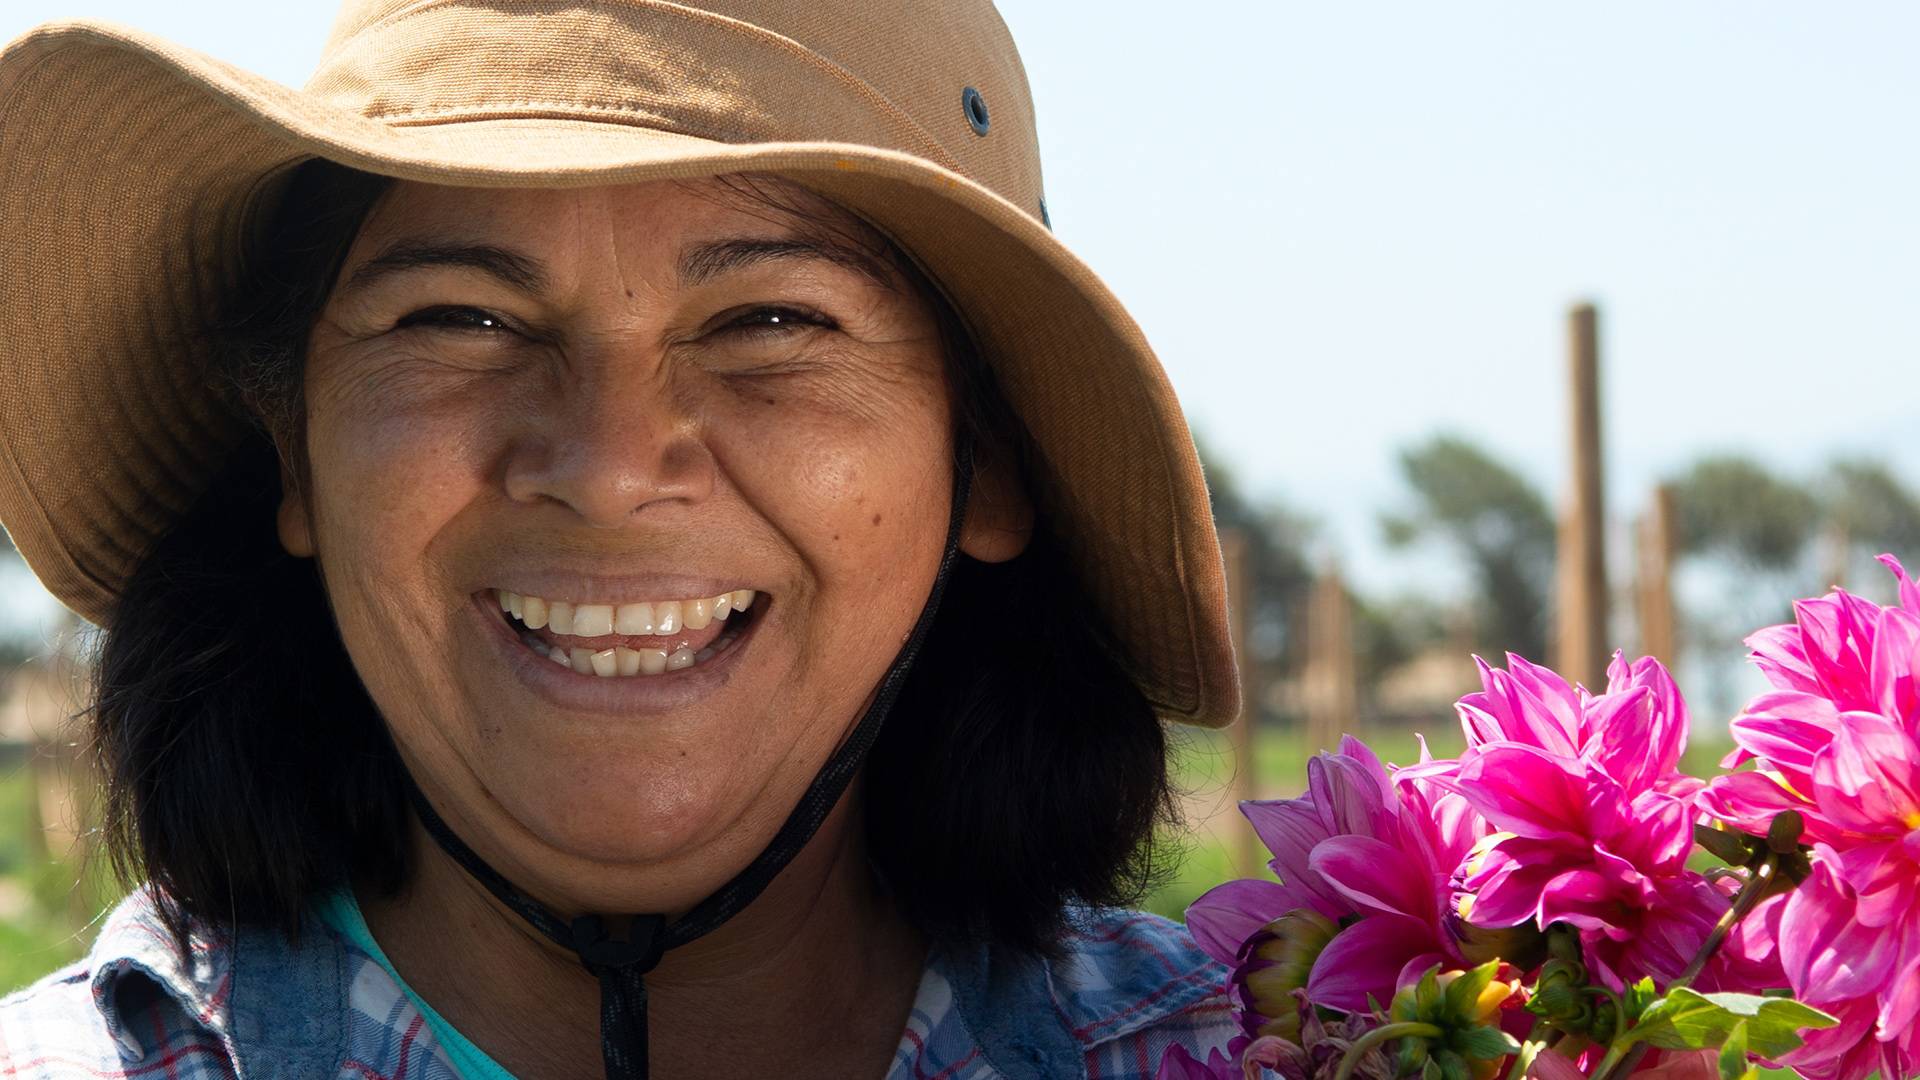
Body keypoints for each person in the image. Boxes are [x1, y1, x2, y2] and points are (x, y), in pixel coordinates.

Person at [0, 1, 1245, 1077]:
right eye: (465, 318)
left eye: (768, 318)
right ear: (295, 453)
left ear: (988, 463)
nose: (604, 469)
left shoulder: (1268, 1049)